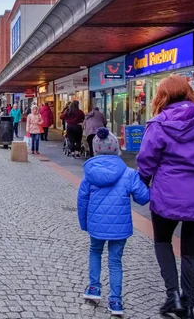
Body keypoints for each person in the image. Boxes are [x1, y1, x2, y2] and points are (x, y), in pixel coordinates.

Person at [137, 76, 194, 319]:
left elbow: (146, 162)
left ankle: (173, 295)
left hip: (167, 197)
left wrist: (143, 181)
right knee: (191, 251)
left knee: (162, 242)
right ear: (190, 93)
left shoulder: (158, 124)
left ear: (162, 96)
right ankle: (188, 306)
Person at [78, 127, 150, 316]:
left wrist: (84, 223)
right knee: (115, 261)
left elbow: (82, 200)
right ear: (116, 148)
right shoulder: (128, 173)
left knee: (95, 252)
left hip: (96, 225)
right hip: (120, 227)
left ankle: (94, 289)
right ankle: (115, 301)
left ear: (95, 149)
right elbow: (143, 198)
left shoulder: (89, 174)